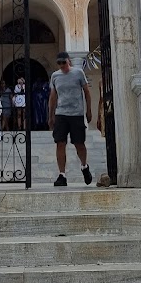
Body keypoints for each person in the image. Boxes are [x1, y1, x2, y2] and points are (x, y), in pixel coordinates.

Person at [48, 51, 92, 187]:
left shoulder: (78, 73)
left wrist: (88, 110)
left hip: (76, 114)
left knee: (79, 143)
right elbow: (53, 96)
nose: (62, 65)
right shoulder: (55, 76)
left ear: (69, 61)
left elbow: (86, 92)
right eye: (59, 63)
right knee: (60, 143)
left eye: (64, 62)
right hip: (61, 114)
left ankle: (84, 166)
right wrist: (51, 115)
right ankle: (62, 175)